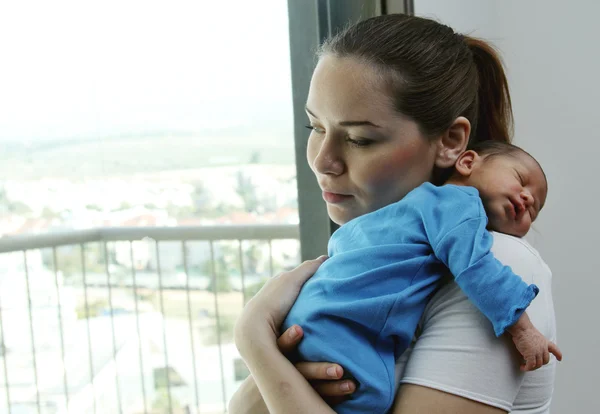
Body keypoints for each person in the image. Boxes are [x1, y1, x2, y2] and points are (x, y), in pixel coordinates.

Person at [230, 13, 558, 414]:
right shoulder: (375, 255)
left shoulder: (497, 267)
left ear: (452, 142)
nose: (323, 161)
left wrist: (255, 343)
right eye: (315, 127)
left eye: (359, 138)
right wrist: (254, 392)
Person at [280, 141, 561, 414]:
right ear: (467, 162)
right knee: (371, 398)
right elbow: (476, 266)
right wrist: (523, 329)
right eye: (520, 180)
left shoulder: (408, 207)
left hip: (310, 315)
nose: (527, 198)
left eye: (534, 209)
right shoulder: (459, 203)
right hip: (341, 327)